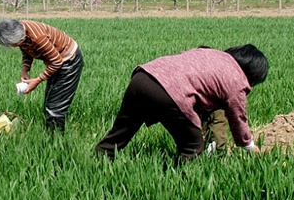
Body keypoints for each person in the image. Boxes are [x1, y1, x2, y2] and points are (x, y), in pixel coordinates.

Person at [95, 44, 268, 162]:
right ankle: (182, 184)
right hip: (168, 92)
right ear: (253, 74)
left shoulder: (212, 54)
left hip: (142, 78)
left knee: (119, 135)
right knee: (193, 147)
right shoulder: (237, 80)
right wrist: (248, 145)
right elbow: (238, 118)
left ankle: (95, 163)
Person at [0, 19, 83, 133]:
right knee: (50, 102)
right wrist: (25, 70)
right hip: (57, 61)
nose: (14, 46)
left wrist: (37, 80)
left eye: (13, 44)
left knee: (55, 106)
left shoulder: (37, 37)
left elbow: (57, 62)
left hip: (69, 61)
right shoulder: (20, 30)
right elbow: (26, 50)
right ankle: (51, 134)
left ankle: (56, 141)